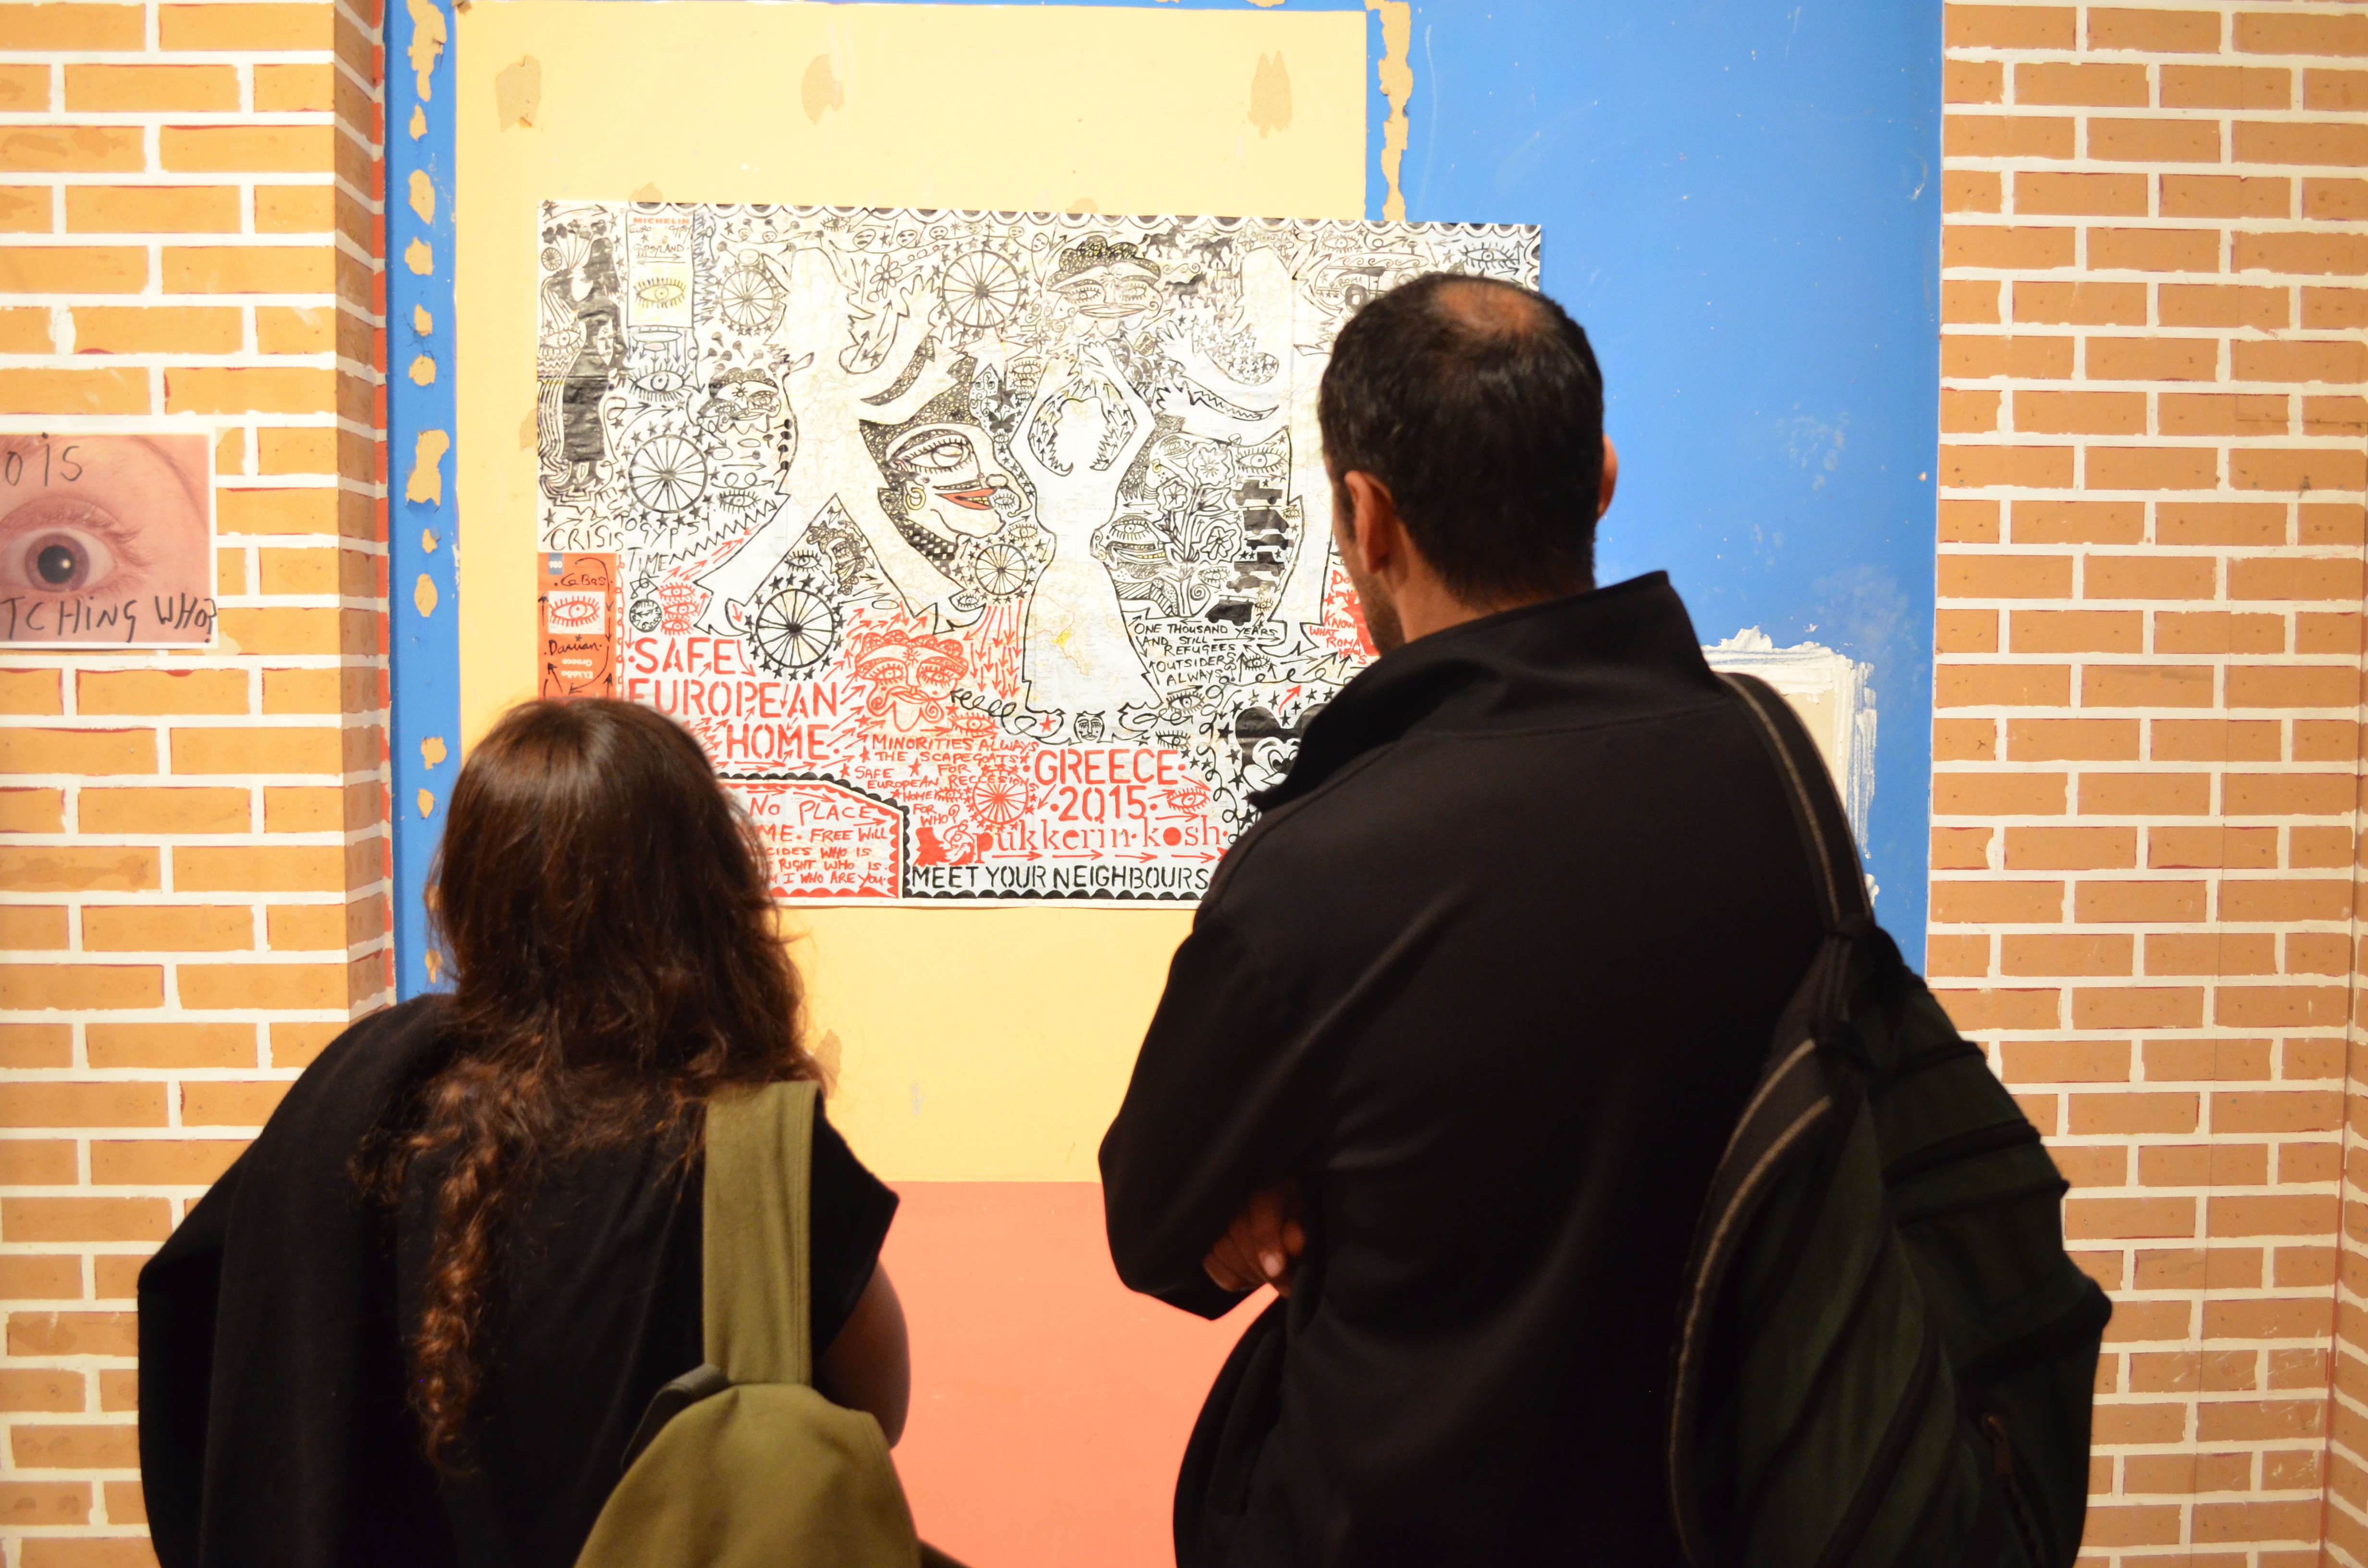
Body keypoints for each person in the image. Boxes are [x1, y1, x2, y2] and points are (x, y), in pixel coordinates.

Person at [1098, 273, 1829, 1567]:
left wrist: (1274, 1183)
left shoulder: (1316, 868)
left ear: (1369, 517)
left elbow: (1154, 1230)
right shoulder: (1775, 777)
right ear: (1600, 480)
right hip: (1730, 1522)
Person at [138, 698, 908, 1568]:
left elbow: (194, 1328)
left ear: (470, 891)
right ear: (708, 894)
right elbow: (879, 1411)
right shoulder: (748, 1148)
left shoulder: (355, 1096)